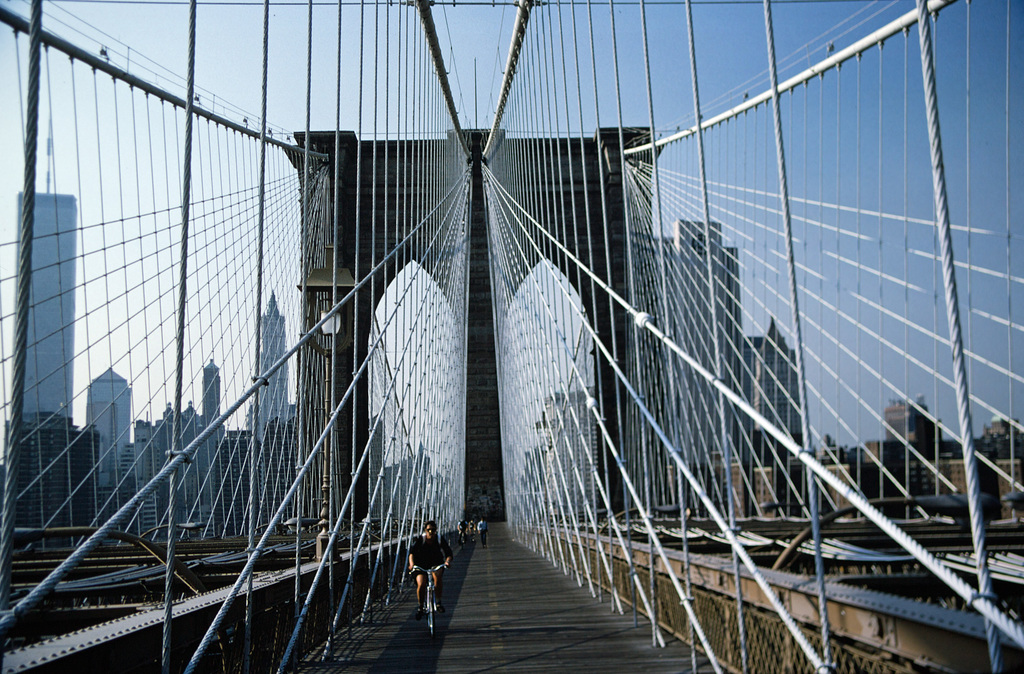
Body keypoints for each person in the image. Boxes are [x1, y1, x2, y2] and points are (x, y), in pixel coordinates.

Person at [408, 520, 453, 619]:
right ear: (425, 530)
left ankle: (438, 602)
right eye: (429, 530)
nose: (431, 532)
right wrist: (411, 564)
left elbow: (448, 553)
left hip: (436, 564)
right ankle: (420, 606)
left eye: (433, 530)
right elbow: (412, 553)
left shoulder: (439, 539)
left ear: (436, 530)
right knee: (421, 582)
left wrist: (447, 562)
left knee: (437, 576)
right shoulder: (421, 540)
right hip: (421, 565)